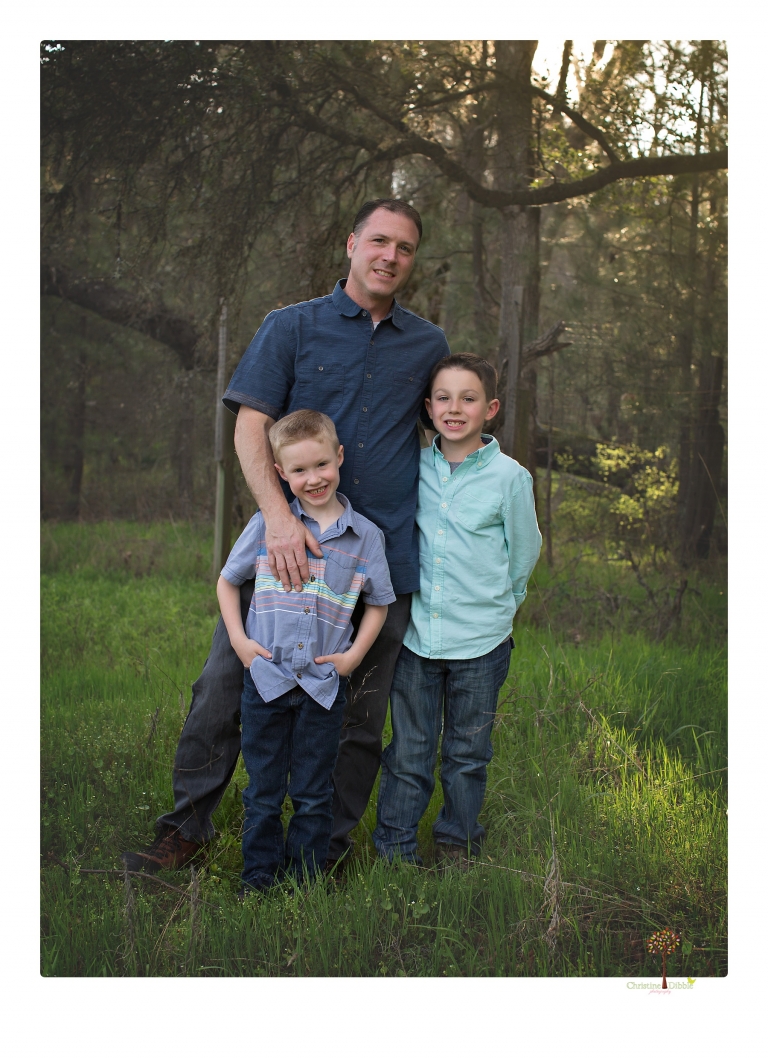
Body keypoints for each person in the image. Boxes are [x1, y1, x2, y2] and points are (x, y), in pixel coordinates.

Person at [122, 198, 451, 874]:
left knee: (356, 709)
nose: (390, 256)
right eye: (379, 241)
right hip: (286, 555)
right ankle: (187, 828)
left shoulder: (428, 346)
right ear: (352, 243)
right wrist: (277, 519)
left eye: (406, 248)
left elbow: (453, 428)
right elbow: (250, 426)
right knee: (225, 685)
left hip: (372, 559)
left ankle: (321, 850)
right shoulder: (290, 327)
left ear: (413, 262)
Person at [373, 353, 542, 868]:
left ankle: (456, 844)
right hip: (417, 638)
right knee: (408, 754)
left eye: (468, 399)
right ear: (428, 407)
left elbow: (525, 551)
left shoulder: (510, 479)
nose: (454, 408)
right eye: (443, 398)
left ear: (489, 409)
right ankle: (395, 851)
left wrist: (503, 607)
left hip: (482, 642)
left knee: (467, 756)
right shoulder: (413, 467)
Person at [217, 410, 394, 891]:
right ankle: (258, 879)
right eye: (298, 471)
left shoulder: (366, 538)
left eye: (321, 465)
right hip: (268, 682)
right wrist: (240, 642)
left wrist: (353, 658)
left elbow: (377, 604)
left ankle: (306, 883)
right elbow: (228, 581)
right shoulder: (266, 526)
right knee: (264, 792)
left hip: (322, 687)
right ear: (279, 473)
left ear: (339, 457)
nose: (312, 479)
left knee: (314, 793)